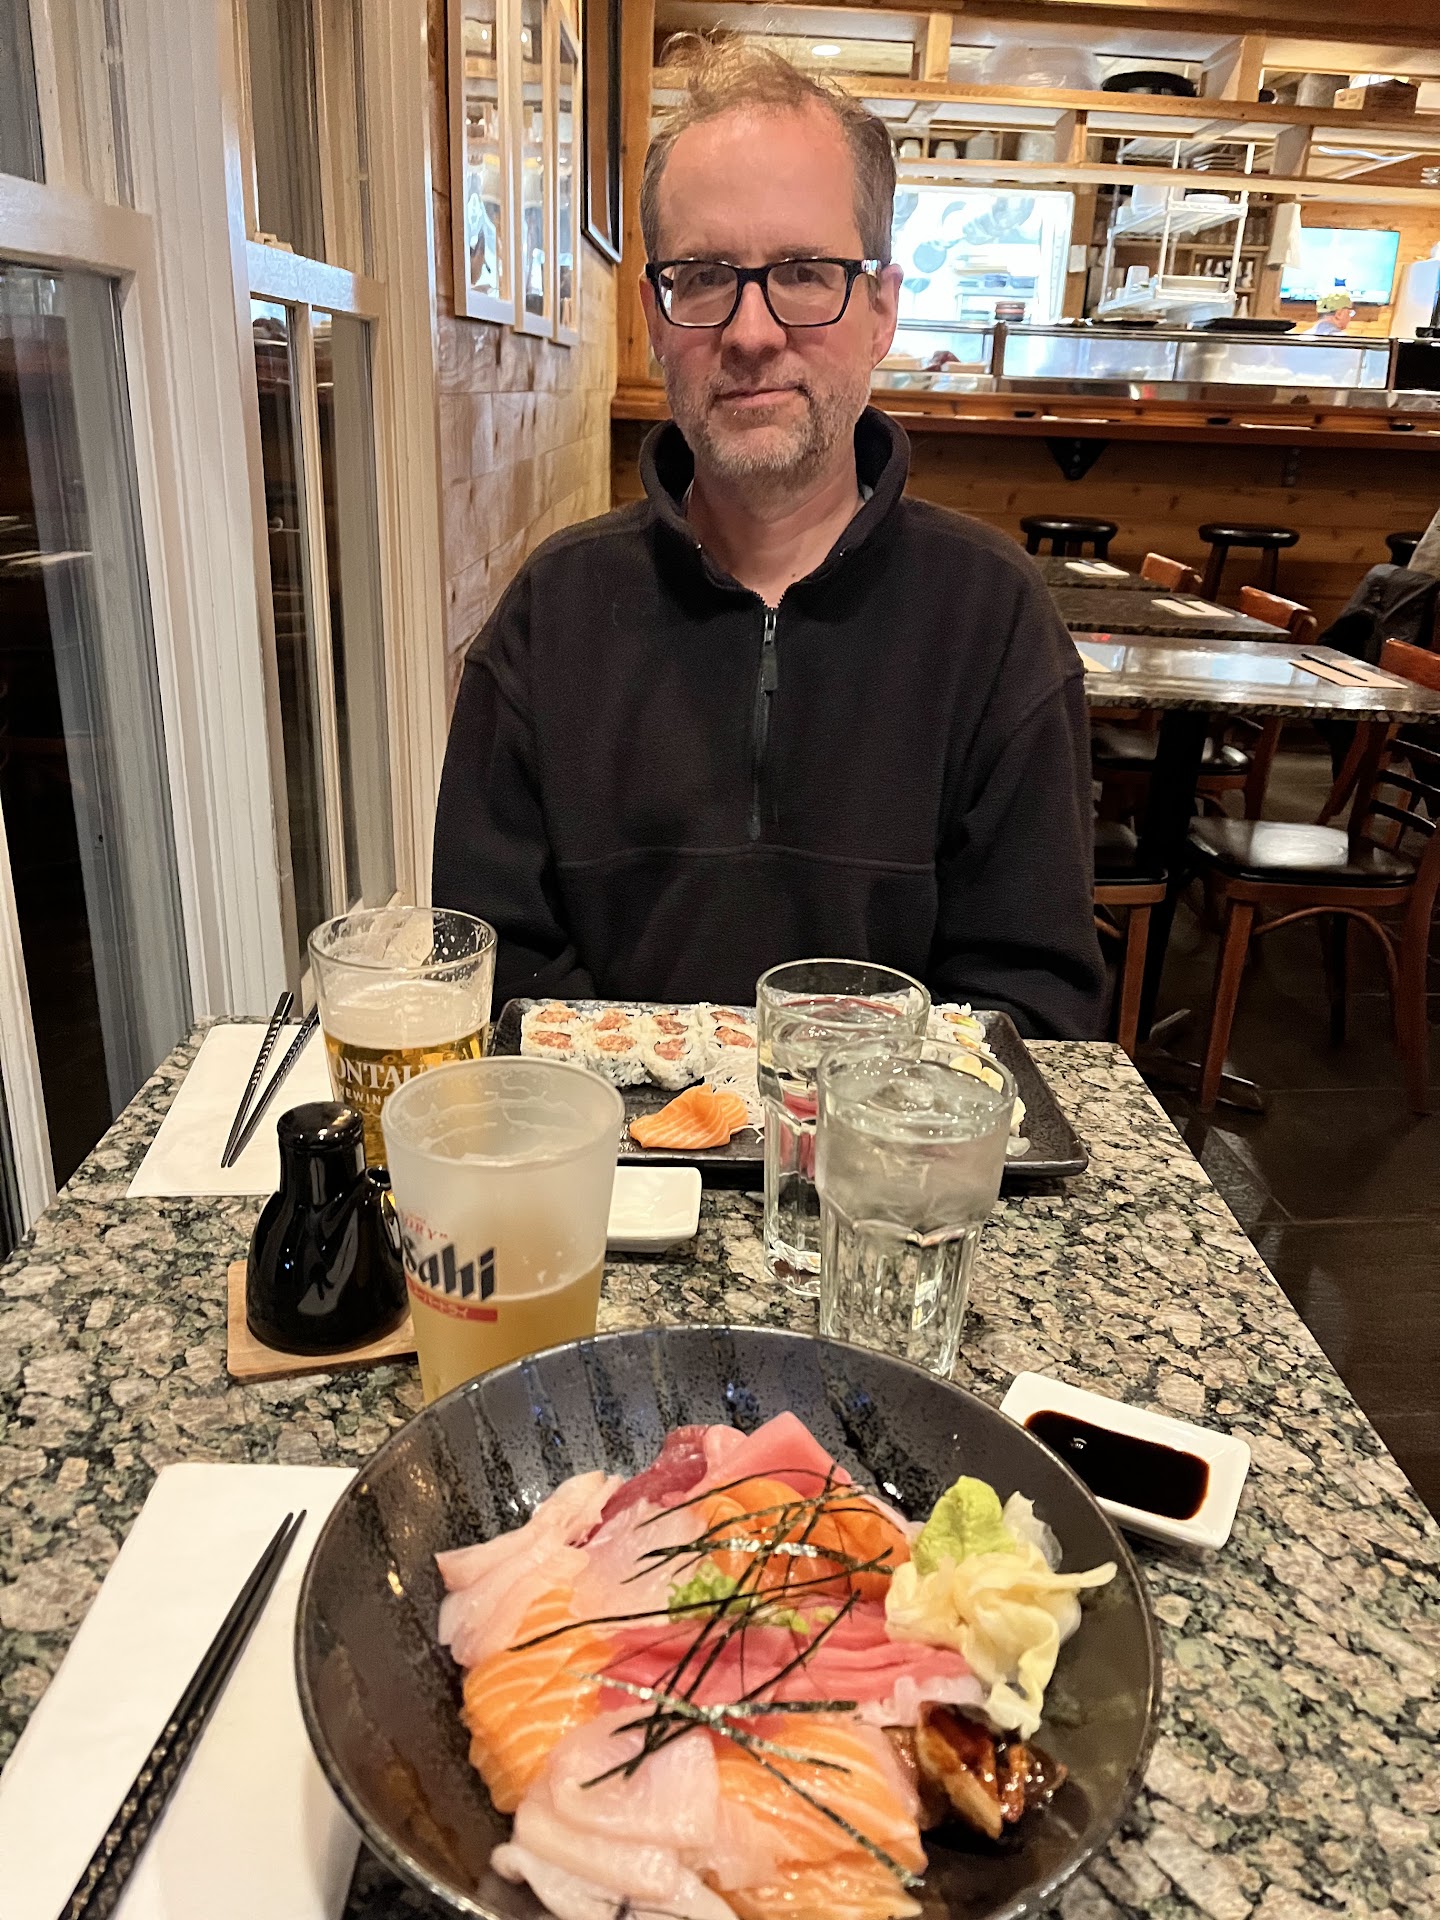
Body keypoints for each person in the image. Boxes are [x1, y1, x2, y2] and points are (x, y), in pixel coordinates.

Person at [432, 41, 1104, 1038]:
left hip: (894, 1142)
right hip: (609, 1141)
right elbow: (490, 973)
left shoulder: (993, 619)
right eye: (704, 277)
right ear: (657, 319)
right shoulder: (550, 613)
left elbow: (1034, 1006)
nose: (751, 332)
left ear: (882, 309)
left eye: (803, 272)